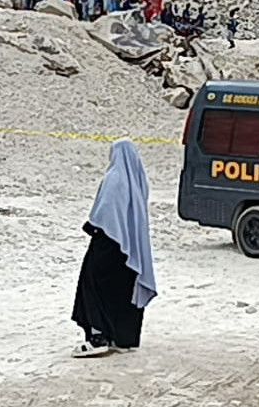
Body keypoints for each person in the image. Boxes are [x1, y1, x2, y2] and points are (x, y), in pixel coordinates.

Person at [71, 140, 158, 357]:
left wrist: (92, 227)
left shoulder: (114, 178)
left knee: (92, 285)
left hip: (109, 243)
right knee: (123, 290)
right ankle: (123, 337)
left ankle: (98, 336)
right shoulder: (137, 180)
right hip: (131, 249)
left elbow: (107, 214)